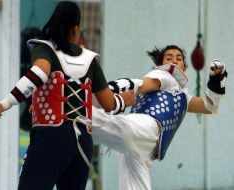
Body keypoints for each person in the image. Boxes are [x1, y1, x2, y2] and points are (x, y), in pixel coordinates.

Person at [0, 1, 135, 190]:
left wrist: (7, 102)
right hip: (83, 142)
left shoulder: (44, 49)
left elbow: (39, 74)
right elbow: (109, 104)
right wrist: (124, 100)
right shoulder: (89, 60)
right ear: (76, 29)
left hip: (51, 137)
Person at [91, 45, 227, 190]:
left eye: (178, 58)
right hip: (144, 129)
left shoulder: (183, 98)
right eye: (169, 58)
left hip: (145, 147)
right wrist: (115, 89)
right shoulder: (165, 75)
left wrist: (217, 79)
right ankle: (78, 109)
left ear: (185, 67)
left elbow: (209, 106)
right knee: (101, 121)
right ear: (161, 65)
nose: (174, 61)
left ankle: (79, 110)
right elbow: (142, 84)